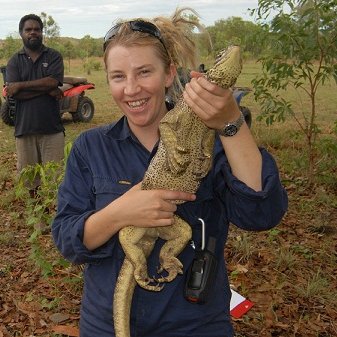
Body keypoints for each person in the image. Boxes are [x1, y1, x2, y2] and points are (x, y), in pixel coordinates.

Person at [52, 8, 288, 337]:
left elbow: (262, 214)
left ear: (168, 74)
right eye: (118, 76)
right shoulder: (91, 148)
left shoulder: (213, 140)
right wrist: (119, 213)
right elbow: (67, 239)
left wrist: (231, 125)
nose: (131, 88)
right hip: (106, 323)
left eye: (144, 72)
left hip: (195, 324)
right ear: (108, 82)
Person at [5, 14, 65, 198]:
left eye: (36, 29)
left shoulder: (54, 56)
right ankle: (39, 222)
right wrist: (47, 88)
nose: (33, 32)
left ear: (42, 32)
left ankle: (56, 220)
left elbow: (53, 81)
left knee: (55, 179)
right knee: (32, 181)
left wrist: (21, 85)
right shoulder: (14, 61)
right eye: (28, 29)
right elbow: (13, 93)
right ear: (21, 33)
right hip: (25, 130)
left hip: (52, 129)